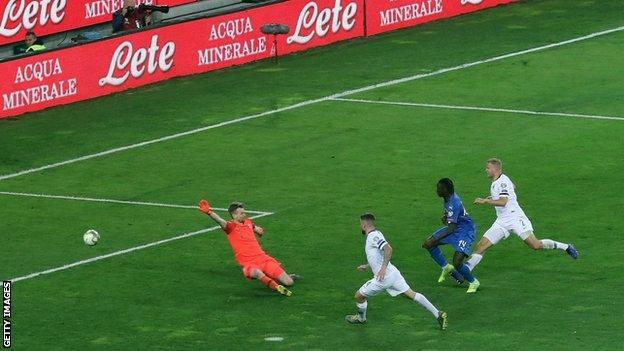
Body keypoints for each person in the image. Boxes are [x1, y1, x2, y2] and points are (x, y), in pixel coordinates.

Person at [466, 158, 578, 272]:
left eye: (488, 168)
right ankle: (466, 271)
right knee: (481, 246)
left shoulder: (502, 182)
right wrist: (495, 197)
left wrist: (485, 201)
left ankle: (566, 247)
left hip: (516, 218)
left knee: (536, 245)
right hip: (502, 221)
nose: (486, 170)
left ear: (495, 169)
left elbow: (503, 202)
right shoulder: (498, 181)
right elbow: (513, 187)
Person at [345, 213, 447, 329]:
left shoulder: (373, 237)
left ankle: (361, 318)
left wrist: (382, 269)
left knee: (359, 296)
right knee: (411, 294)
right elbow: (379, 255)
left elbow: (388, 249)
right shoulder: (377, 234)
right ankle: (438, 314)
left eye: (360, 224)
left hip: (383, 278)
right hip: (393, 273)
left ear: (364, 226)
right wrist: (367, 266)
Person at [198, 199, 297, 296]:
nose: (244, 215)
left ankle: (285, 277)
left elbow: (256, 229)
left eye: (244, 212)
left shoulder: (248, 222)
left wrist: (259, 230)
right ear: (234, 215)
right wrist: (209, 212)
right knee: (257, 273)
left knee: (289, 282)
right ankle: (277, 288)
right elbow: (220, 221)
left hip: (263, 258)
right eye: (241, 213)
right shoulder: (230, 227)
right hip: (249, 263)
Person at [423, 178, 480, 293]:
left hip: (465, 231)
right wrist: (446, 218)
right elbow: (451, 222)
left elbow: (450, 229)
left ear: (446, 190)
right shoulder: (448, 198)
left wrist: (437, 239)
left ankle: (473, 281)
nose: (437, 190)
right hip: (455, 227)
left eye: (439, 188)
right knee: (428, 244)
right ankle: (446, 267)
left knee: (457, 262)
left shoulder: (454, 203)